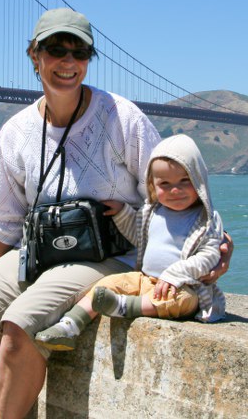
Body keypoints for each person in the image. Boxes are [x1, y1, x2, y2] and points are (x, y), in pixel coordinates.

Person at [0, 8, 233, 418]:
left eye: (80, 53)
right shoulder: (15, 133)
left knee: (17, 324)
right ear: (34, 55)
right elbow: (3, 224)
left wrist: (211, 251)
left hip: (106, 258)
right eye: (56, 50)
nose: (68, 62)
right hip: (39, 252)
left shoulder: (121, 118)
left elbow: (178, 188)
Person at [34, 134, 227, 351]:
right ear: (152, 187)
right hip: (144, 280)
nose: (175, 190)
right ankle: (69, 326)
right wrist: (122, 213)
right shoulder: (152, 212)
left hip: (182, 287)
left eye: (185, 181)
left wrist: (176, 275)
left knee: (182, 302)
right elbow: (138, 237)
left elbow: (209, 256)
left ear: (199, 180)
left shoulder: (206, 219)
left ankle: (123, 306)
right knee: (105, 285)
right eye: (165, 183)